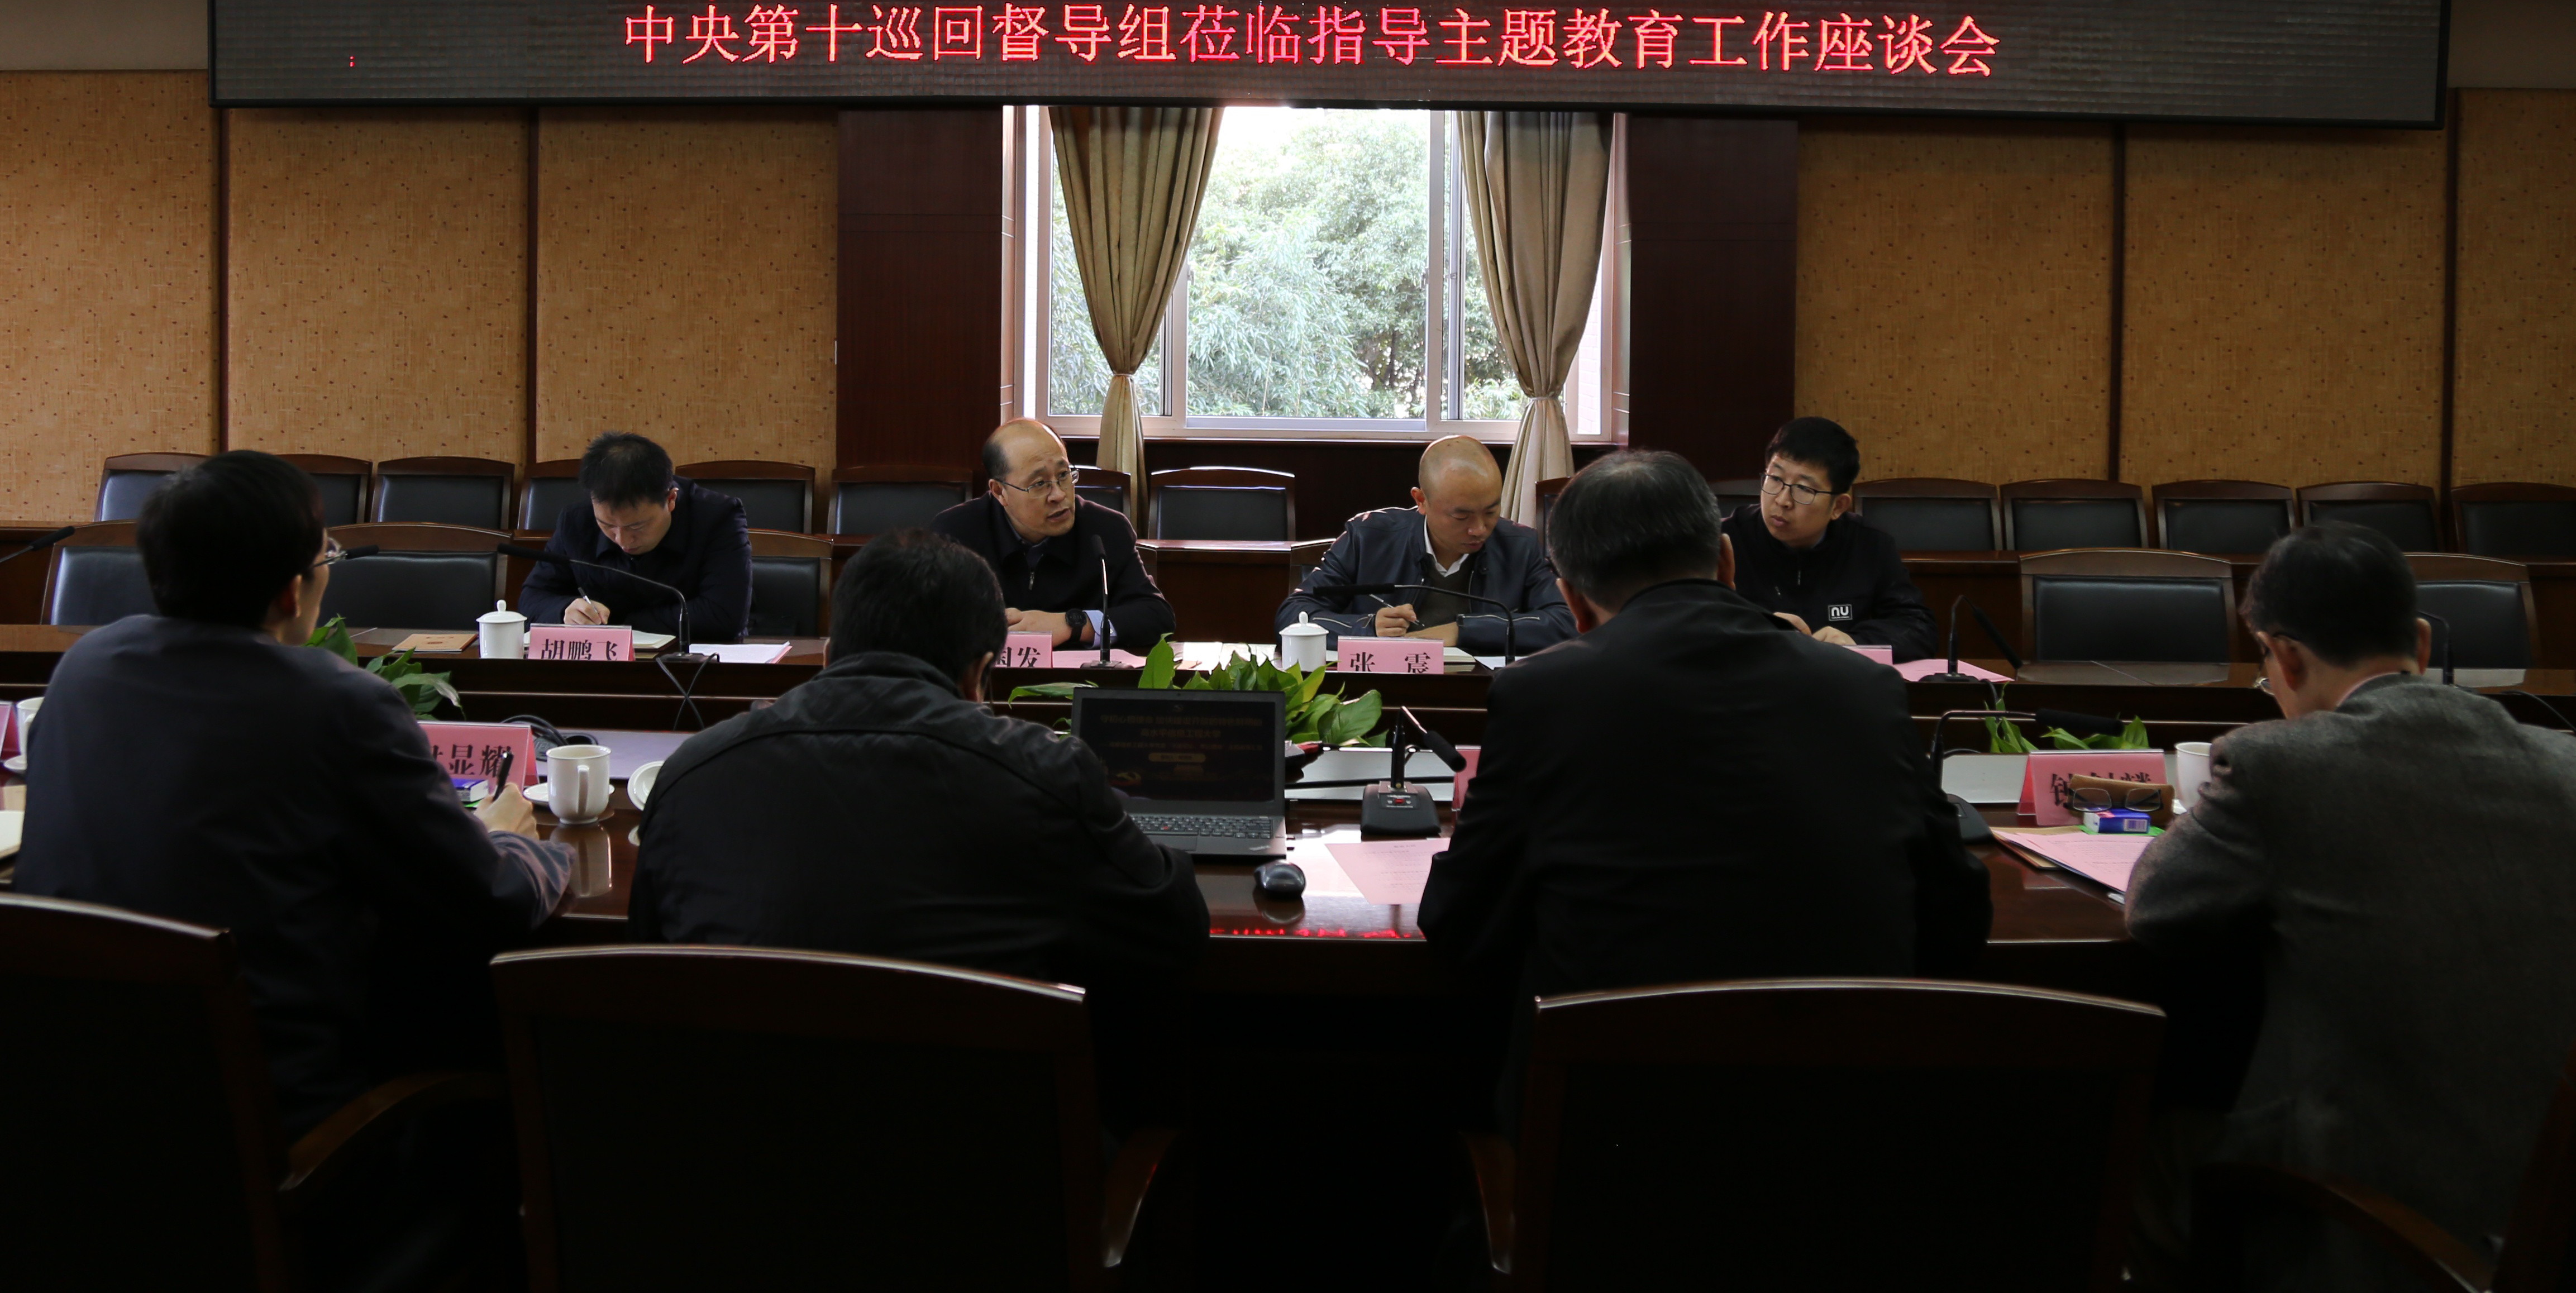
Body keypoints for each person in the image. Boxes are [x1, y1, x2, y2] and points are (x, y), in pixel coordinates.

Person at [2124, 522, 2576, 1292]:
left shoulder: (2276, 762)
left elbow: (2156, 910)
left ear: (2286, 657)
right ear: (2420, 640)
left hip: (2378, 1230)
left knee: (2137, 1147)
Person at [17, 452, 570, 1133]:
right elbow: (494, 900)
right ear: (290, 591)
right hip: (279, 1140)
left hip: (69, 1116)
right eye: (326, 556)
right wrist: (515, 838)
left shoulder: (84, 670)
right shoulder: (334, 703)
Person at [1419, 450, 1990, 1039]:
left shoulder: (1539, 695)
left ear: (1574, 603)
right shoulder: (1867, 689)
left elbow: (1459, 920)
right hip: (1843, 1077)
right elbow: (1958, 917)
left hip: (1606, 1078)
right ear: (1726, 561)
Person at [627, 531, 1208, 985]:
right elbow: (1176, 930)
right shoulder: (1042, 776)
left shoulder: (691, 774)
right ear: (980, 674)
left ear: (827, 656)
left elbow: (648, 955)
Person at [1275, 435, 1575, 657]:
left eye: (1491, 511)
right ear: (1421, 501)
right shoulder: (1369, 538)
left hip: (1482, 693)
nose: (1480, 529)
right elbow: (1293, 615)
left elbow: (1565, 621)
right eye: (1461, 516)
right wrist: (1367, 628)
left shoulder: (1519, 546)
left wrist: (1464, 630)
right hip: (1384, 690)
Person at [929, 418, 1174, 652]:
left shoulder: (1106, 530)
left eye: (1064, 475)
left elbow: (1157, 616)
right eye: (1039, 484)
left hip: (1080, 678)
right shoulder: (956, 533)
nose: (1059, 495)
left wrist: (1073, 625)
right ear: (1000, 491)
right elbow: (926, 622)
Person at [1723, 416, 1936, 661]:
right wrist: (1752, 630)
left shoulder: (1869, 545)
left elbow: (1918, 627)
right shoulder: (1725, 540)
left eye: (1804, 489)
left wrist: (1856, 642)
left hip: (1836, 679)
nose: (1782, 500)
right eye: (1775, 479)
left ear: (1838, 506)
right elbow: (1692, 620)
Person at [517, 431, 752, 643]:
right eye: (607, 525)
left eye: (637, 526)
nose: (623, 540)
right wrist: (565, 611)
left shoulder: (717, 517)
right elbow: (532, 599)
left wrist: (619, 623)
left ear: (671, 499)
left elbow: (723, 616)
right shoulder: (576, 521)